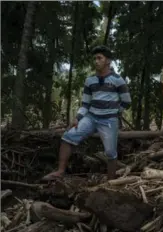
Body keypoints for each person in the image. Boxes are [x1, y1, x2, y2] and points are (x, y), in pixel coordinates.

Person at [42, 45, 131, 180]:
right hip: (91, 117)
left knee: (110, 152)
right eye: (95, 58)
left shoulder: (117, 80)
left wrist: (114, 112)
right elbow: (85, 104)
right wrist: (77, 118)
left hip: (108, 120)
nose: (96, 61)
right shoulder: (90, 81)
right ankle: (60, 171)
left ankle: (111, 181)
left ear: (108, 61)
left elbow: (126, 102)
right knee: (67, 137)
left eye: (99, 58)